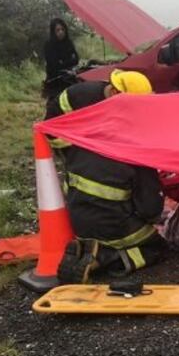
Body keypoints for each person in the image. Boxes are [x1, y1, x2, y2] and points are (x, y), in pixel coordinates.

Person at [46, 70, 165, 283]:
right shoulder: (136, 151)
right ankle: (103, 258)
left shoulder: (87, 147)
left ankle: (85, 247)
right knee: (156, 246)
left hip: (77, 220)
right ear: (117, 93)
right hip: (112, 225)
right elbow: (151, 209)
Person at [43, 18, 80, 100]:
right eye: (58, 30)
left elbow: (76, 59)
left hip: (69, 78)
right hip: (55, 80)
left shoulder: (68, 43)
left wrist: (63, 62)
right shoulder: (49, 45)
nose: (61, 32)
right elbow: (53, 65)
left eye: (62, 29)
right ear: (53, 32)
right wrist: (68, 62)